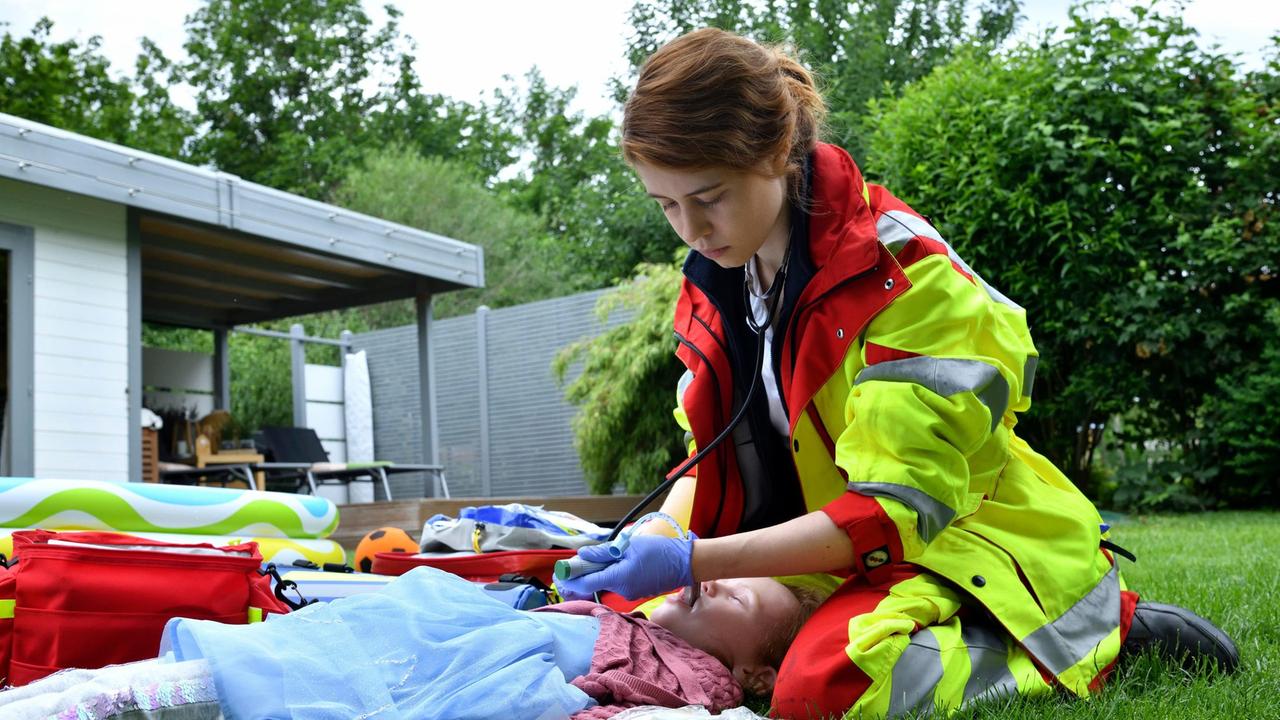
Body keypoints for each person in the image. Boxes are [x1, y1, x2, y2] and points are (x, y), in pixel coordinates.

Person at [557, 27, 1240, 719]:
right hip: (823, 554)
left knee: (824, 687)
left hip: (951, 540)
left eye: (708, 197)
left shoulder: (907, 278)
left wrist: (694, 562)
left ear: (774, 154)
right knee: (617, 617)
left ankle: (1087, 634)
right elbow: (709, 462)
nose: (691, 231)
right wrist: (659, 538)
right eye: (667, 205)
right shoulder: (719, 279)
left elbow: (894, 511)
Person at [0, 566, 825, 720]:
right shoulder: (612, 616)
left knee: (140, 704)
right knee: (118, 682)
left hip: (402, 685)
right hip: (364, 644)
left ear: (753, 669)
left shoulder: (694, 686)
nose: (715, 577)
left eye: (744, 595)